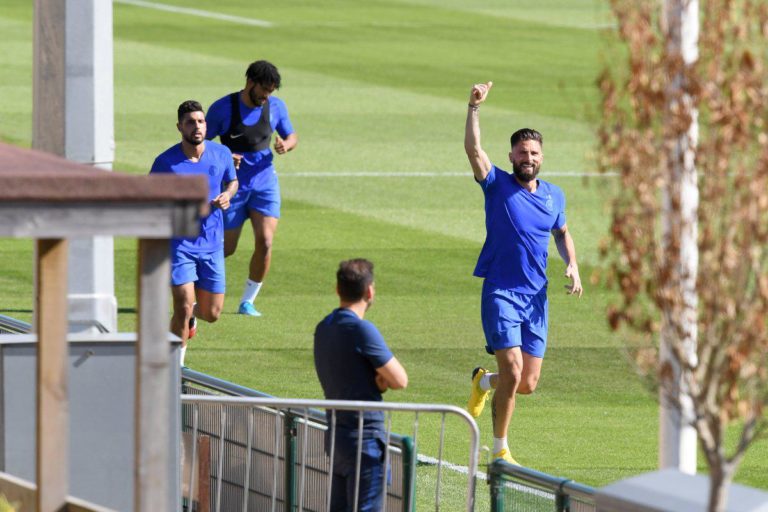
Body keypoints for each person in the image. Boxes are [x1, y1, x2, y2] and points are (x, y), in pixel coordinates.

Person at [464, 82, 583, 465]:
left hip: (536, 299)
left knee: (526, 383)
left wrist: (572, 262)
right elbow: (473, 150)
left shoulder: (554, 195)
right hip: (501, 292)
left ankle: (483, 382)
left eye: (533, 152)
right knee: (513, 371)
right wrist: (474, 108)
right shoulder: (497, 184)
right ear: (511, 155)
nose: (527, 157)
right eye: (521, 151)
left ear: (541, 157)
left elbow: (562, 233)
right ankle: (499, 449)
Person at [314, 259, 408, 512]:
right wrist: (381, 381)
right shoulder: (362, 330)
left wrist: (377, 380)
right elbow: (400, 379)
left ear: (337, 289)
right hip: (364, 440)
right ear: (369, 291)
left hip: (337, 437)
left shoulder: (323, 328)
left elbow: (347, 372)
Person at [205, 59, 298, 317]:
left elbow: (292, 136)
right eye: (263, 90)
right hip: (232, 187)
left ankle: (248, 301)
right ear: (250, 82)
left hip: (265, 182)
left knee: (266, 242)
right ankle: (191, 284)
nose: (266, 96)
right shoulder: (223, 108)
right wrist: (225, 156)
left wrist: (286, 145)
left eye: (270, 91)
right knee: (226, 248)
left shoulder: (276, 107)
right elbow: (201, 145)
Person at [150, 100, 238, 366]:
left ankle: (191, 317)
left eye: (200, 121)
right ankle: (175, 370)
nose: (197, 126)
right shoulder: (166, 162)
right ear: (179, 127)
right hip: (180, 245)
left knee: (212, 312)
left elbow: (232, 181)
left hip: (212, 244)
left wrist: (227, 195)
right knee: (183, 304)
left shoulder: (221, 154)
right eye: (190, 122)